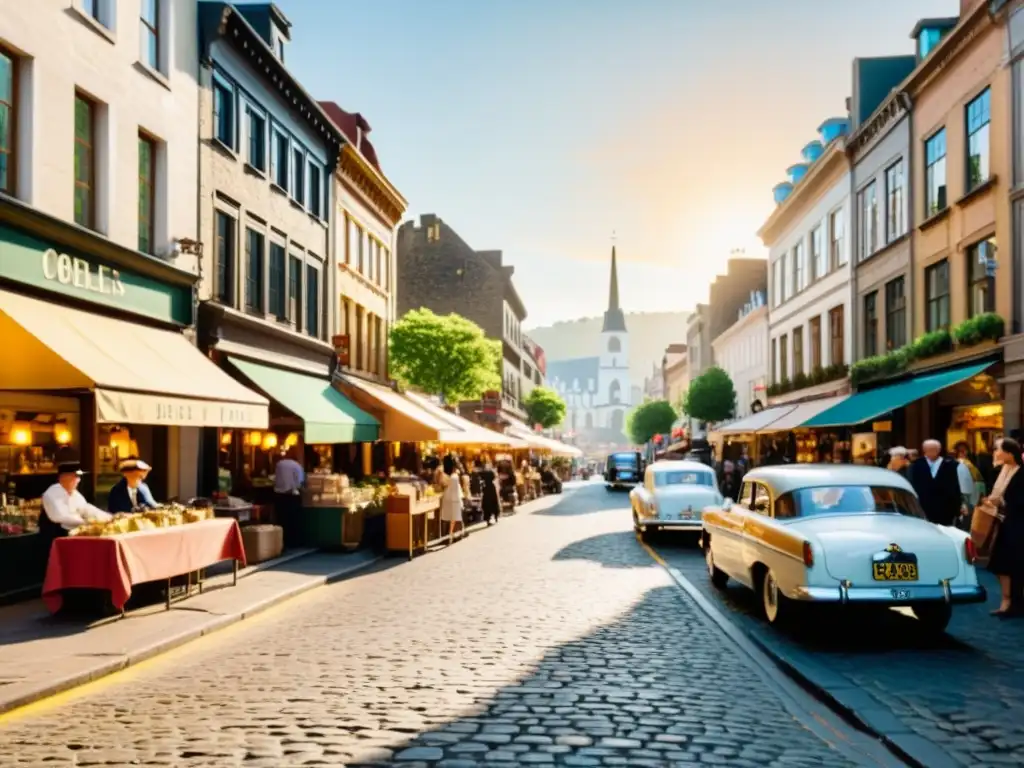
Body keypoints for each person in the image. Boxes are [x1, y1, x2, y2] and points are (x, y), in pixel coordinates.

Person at [983, 438, 1024, 616]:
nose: (996, 453)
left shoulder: (1021, 472)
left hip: (1018, 524)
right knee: (1001, 564)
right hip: (1003, 523)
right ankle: (1006, 601)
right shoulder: (999, 471)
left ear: (1009, 453)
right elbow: (994, 494)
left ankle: (1015, 604)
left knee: (1016, 565)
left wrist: (1003, 504)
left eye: (998, 450)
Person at [39, 462, 112, 549]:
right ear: (63, 477)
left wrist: (108, 517)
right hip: (55, 540)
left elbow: (86, 509)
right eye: (75, 477)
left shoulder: (75, 493)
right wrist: (88, 522)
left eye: (79, 477)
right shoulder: (51, 494)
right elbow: (62, 517)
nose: (79, 480)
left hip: (71, 536)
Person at [908, 439, 963, 526]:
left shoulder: (951, 465)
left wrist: (958, 507)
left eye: (934, 449)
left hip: (946, 509)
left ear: (939, 450)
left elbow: (956, 487)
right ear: (924, 450)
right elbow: (911, 485)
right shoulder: (916, 465)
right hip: (923, 508)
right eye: (929, 449)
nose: (931, 452)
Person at [273, 447, 304, 529]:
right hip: (292, 497)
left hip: (279, 496)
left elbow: (276, 479)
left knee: (281, 521)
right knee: (293, 523)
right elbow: (299, 482)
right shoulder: (297, 466)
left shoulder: (279, 464)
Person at [439, 454, 464, 544]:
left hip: (447, 496)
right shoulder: (455, 474)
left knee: (450, 517)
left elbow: (442, 485)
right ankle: (451, 535)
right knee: (455, 517)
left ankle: (451, 534)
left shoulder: (443, 474)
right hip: (455, 497)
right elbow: (457, 487)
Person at [480, 461, 501, 526]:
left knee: (487, 504)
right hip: (491, 488)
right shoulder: (491, 472)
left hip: (486, 489)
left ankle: (488, 520)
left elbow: (481, 479)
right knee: (494, 502)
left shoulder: (482, 473)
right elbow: (494, 477)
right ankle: (496, 516)